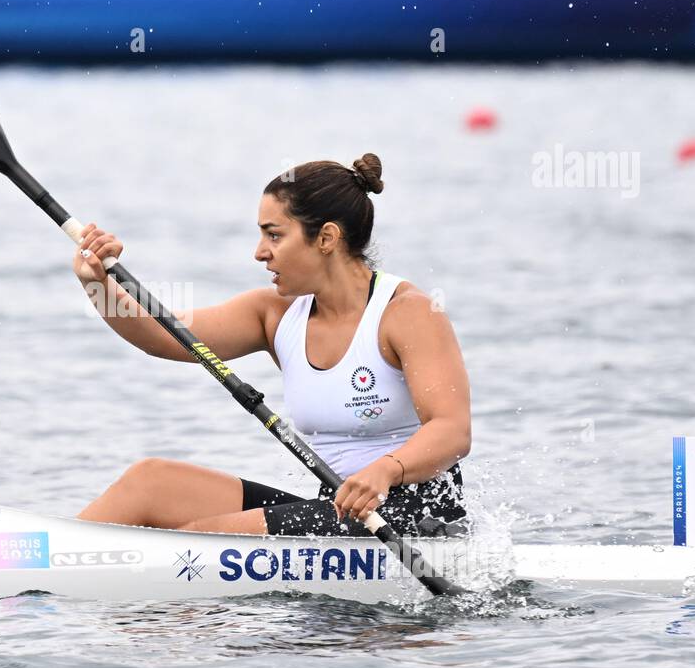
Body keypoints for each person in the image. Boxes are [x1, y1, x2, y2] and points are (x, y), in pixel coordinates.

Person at [74, 154, 471, 537]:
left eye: (274, 235)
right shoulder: (275, 314)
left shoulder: (407, 312)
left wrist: (386, 469)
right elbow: (162, 335)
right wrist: (96, 282)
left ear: (327, 238)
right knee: (151, 482)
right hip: (337, 512)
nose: (259, 252)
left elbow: (452, 430)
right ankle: (40, 562)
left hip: (416, 518)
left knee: (203, 536)